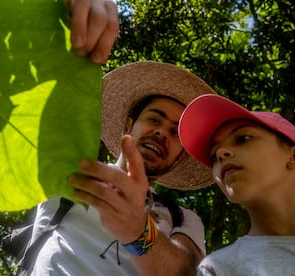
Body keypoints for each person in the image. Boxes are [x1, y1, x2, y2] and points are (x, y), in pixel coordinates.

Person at [29, 61, 216, 275]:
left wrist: (139, 232)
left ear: (180, 156)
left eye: (175, 133)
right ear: (128, 125)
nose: (162, 133)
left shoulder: (183, 218)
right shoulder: (71, 175)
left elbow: (187, 272)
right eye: (154, 119)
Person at [178, 94, 295, 275]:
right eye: (213, 155)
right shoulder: (218, 268)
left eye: (243, 138)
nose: (221, 154)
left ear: (292, 156)